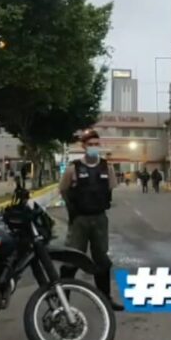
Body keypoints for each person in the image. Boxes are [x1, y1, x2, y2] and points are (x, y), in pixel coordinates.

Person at [58, 130, 124, 311]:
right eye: (90, 145)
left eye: (96, 144)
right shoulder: (73, 168)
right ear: (84, 146)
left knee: (101, 260)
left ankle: (105, 299)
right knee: (71, 259)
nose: (94, 147)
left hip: (99, 219)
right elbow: (63, 190)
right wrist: (73, 212)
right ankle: (62, 302)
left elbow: (110, 189)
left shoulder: (106, 167)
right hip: (79, 220)